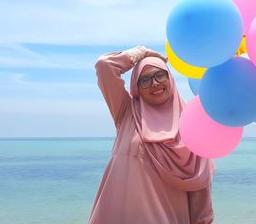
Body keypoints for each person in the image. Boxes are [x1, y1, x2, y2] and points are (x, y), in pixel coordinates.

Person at [88, 45, 215, 224]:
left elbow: (200, 188)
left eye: (160, 75)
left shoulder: (191, 126)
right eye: (144, 80)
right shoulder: (127, 112)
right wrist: (141, 52)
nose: (154, 83)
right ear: (137, 87)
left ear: (170, 78)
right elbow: (104, 66)